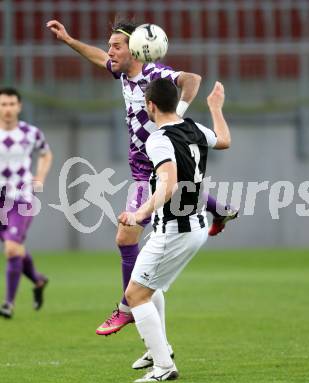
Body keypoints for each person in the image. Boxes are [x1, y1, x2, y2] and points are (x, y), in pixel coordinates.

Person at [46, 19, 237, 336]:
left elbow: (192, 78)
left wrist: (177, 115)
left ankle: (126, 307)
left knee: (125, 237)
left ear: (135, 49)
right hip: (147, 166)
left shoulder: (154, 74)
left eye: (116, 46)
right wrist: (68, 39)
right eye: (110, 46)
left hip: (149, 171)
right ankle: (218, 209)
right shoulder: (122, 72)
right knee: (180, 193)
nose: (110, 52)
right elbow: (96, 57)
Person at [119, 78, 231, 382]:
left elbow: (167, 184)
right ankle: (161, 350)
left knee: (135, 295)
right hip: (192, 223)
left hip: (176, 228)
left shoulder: (157, 139)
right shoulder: (194, 128)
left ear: (151, 105)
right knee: (148, 288)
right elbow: (223, 139)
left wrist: (138, 212)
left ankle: (164, 366)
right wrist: (215, 108)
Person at [0, 87, 53, 319]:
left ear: (19, 106)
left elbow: (46, 154)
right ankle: (38, 280)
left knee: (11, 248)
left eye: (12, 104)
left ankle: (8, 304)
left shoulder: (31, 133)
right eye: (3, 104)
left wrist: (40, 177)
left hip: (21, 198)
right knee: (17, 249)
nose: (8, 109)